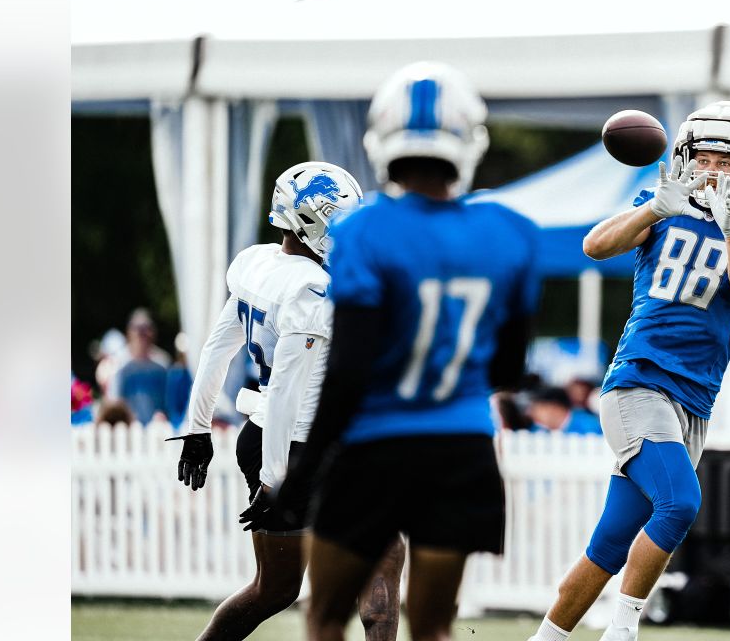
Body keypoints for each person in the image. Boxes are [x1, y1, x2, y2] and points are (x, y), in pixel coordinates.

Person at [267, 61, 541, 641]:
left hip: (375, 449)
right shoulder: (510, 231)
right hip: (462, 451)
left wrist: (302, 473)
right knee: (435, 626)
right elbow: (509, 369)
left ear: (383, 139)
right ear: (468, 140)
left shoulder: (366, 229)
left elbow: (349, 372)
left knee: (324, 620)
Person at [531, 101, 730, 641]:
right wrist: (655, 208)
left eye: (723, 160)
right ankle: (624, 630)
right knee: (680, 502)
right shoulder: (662, 205)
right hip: (639, 380)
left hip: (693, 400)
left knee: (609, 544)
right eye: (700, 156)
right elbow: (595, 245)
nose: (709, 169)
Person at [168, 160, 406, 641]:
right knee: (383, 557)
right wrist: (281, 480)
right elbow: (285, 393)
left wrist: (197, 429)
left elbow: (217, 348)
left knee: (273, 589)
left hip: (264, 441)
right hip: (303, 449)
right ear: (307, 221)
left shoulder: (257, 263)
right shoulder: (311, 291)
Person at [530, 386, 603, 435]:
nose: (532, 413)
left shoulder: (590, 425)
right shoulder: (538, 429)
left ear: (554, 408)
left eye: (539, 408)